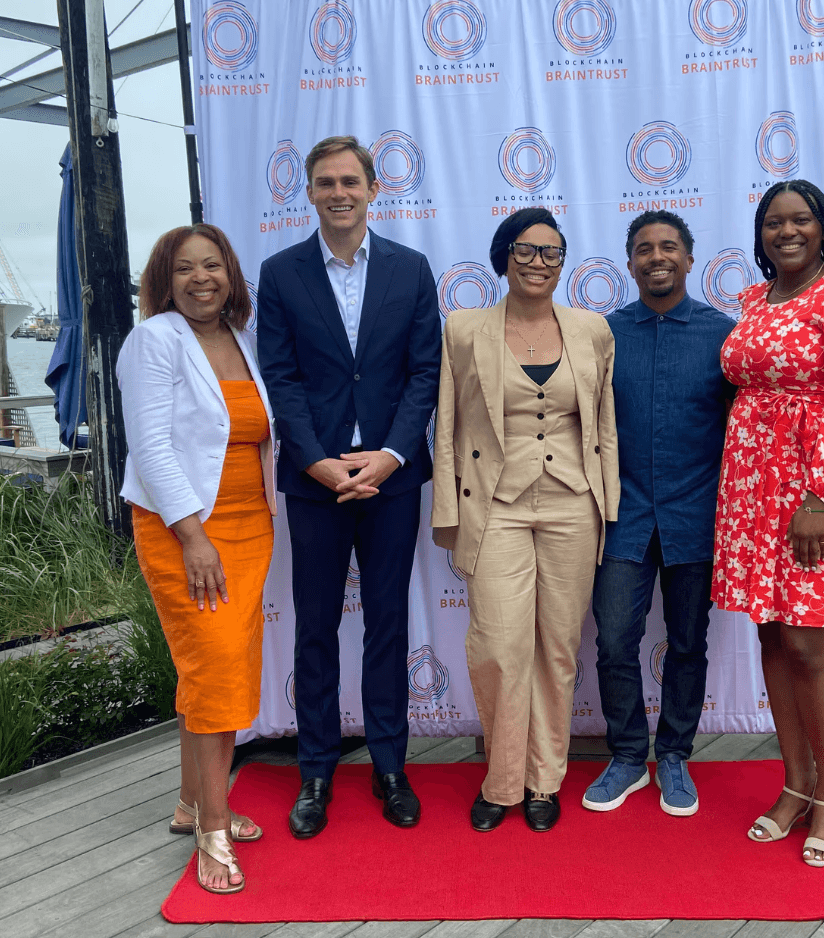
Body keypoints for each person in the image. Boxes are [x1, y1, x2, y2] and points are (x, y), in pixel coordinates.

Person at [257, 135, 441, 838]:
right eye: (326, 182)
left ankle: (391, 767)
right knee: (316, 628)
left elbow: (424, 372)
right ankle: (316, 771)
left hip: (393, 480)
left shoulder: (410, 268)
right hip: (316, 483)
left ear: (372, 189)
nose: (339, 193)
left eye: (350, 181)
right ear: (308, 192)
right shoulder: (280, 273)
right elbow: (281, 378)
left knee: (389, 623)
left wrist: (391, 455)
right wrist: (317, 462)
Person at [712, 180, 824, 867]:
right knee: (771, 634)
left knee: (811, 643)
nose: (786, 232)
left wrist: (823, 497)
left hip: (813, 492)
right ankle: (794, 784)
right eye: (773, 222)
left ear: (822, 228)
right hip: (752, 488)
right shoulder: (755, 300)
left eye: (801, 220)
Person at [431, 207, 619, 833]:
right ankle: (502, 780)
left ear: (563, 263)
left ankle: (544, 781)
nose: (539, 262)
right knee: (498, 646)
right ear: (504, 256)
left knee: (558, 649)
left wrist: (609, 503)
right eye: (526, 249)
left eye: (551, 252)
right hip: (495, 505)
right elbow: (448, 425)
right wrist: (448, 512)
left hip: (573, 504)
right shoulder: (464, 329)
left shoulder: (592, 330)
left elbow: (604, 427)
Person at [118, 224, 276, 895]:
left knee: (217, 670)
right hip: (184, 532)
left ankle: (190, 802)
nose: (200, 278)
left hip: (250, 528)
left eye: (212, 265)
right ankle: (213, 828)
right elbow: (150, 446)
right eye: (185, 268)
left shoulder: (242, 338)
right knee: (216, 675)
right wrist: (193, 536)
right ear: (165, 279)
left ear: (229, 274)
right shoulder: (153, 340)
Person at [582, 211, 735, 817]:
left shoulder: (724, 335)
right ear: (630, 263)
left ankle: (673, 755)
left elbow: (744, 431)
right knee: (615, 641)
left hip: (696, 517)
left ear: (689, 260)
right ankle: (626, 756)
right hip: (622, 517)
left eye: (668, 247)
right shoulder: (603, 335)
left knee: (689, 643)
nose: (656, 257)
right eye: (644, 249)